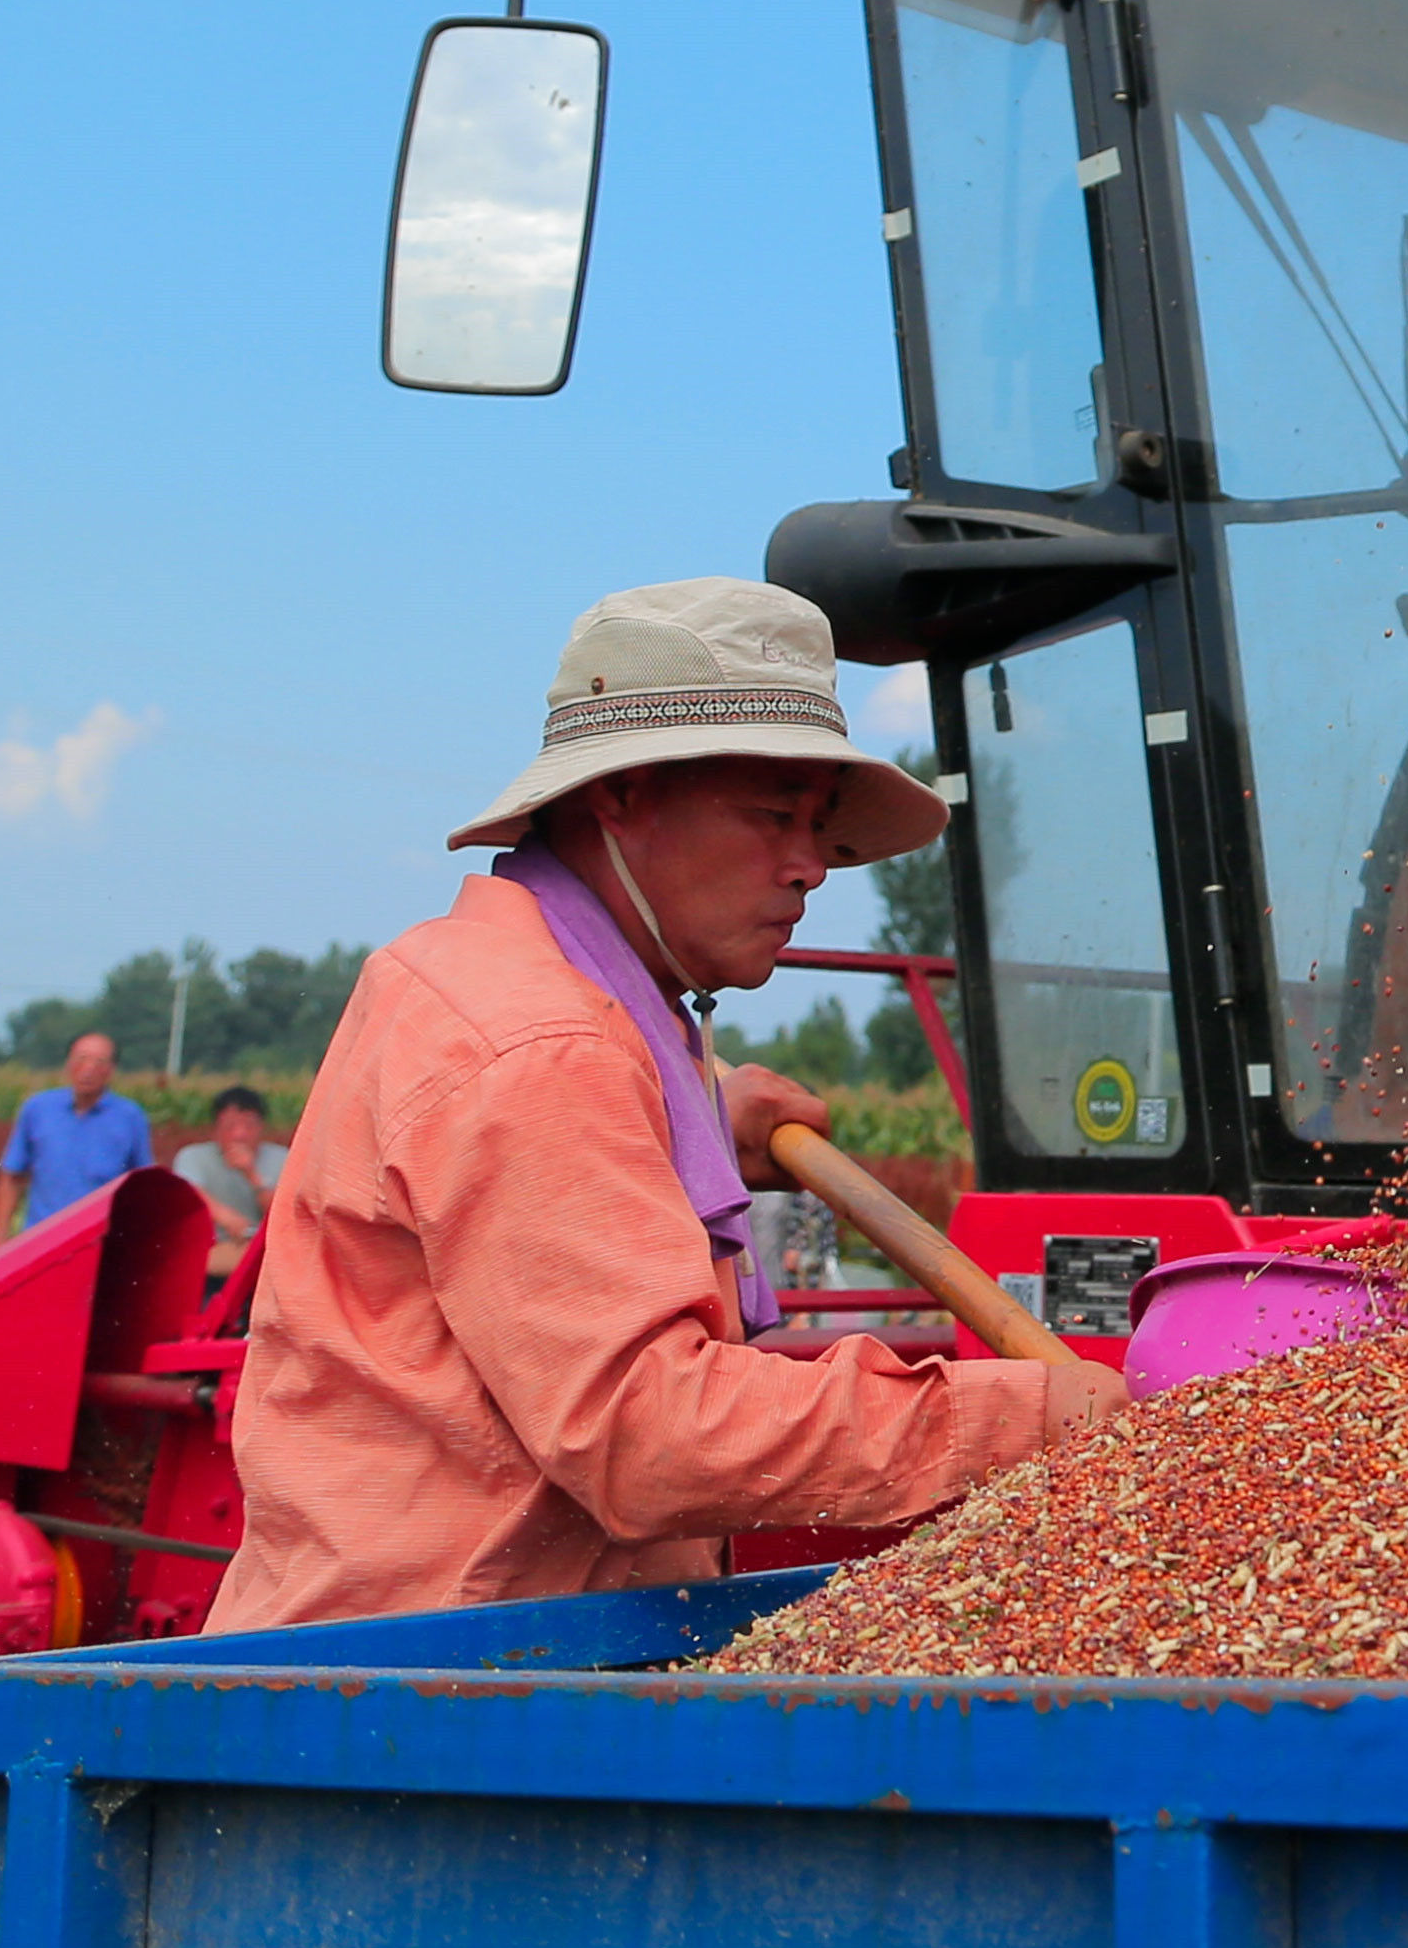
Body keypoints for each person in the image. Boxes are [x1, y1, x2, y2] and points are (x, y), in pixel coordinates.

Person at [206, 578, 1120, 1631]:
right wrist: (1023, 1422)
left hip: (425, 1656)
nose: (809, 868)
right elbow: (650, 1434)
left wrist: (698, 1118)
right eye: (775, 816)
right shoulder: (542, 1048)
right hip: (441, 1701)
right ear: (624, 794)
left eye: (821, 827)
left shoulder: (512, 986)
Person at [0, 1031, 151, 1246]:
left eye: (99, 1062)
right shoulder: (38, 1109)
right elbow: (11, 1177)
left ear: (111, 1070)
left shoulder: (130, 1117)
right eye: (81, 1059)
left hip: (101, 1246)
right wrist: (1, 1242)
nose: (88, 1069)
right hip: (41, 1242)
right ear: (68, 1063)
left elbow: (144, 1185)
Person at [172, 1084, 288, 1286]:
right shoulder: (193, 1157)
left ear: (261, 1128)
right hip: (211, 1248)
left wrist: (251, 1174)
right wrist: (228, 1219)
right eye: (230, 1127)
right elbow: (189, 1193)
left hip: (264, 1253)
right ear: (216, 1129)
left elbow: (284, 1217)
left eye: (249, 1126)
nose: (239, 1135)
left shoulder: (281, 1159)